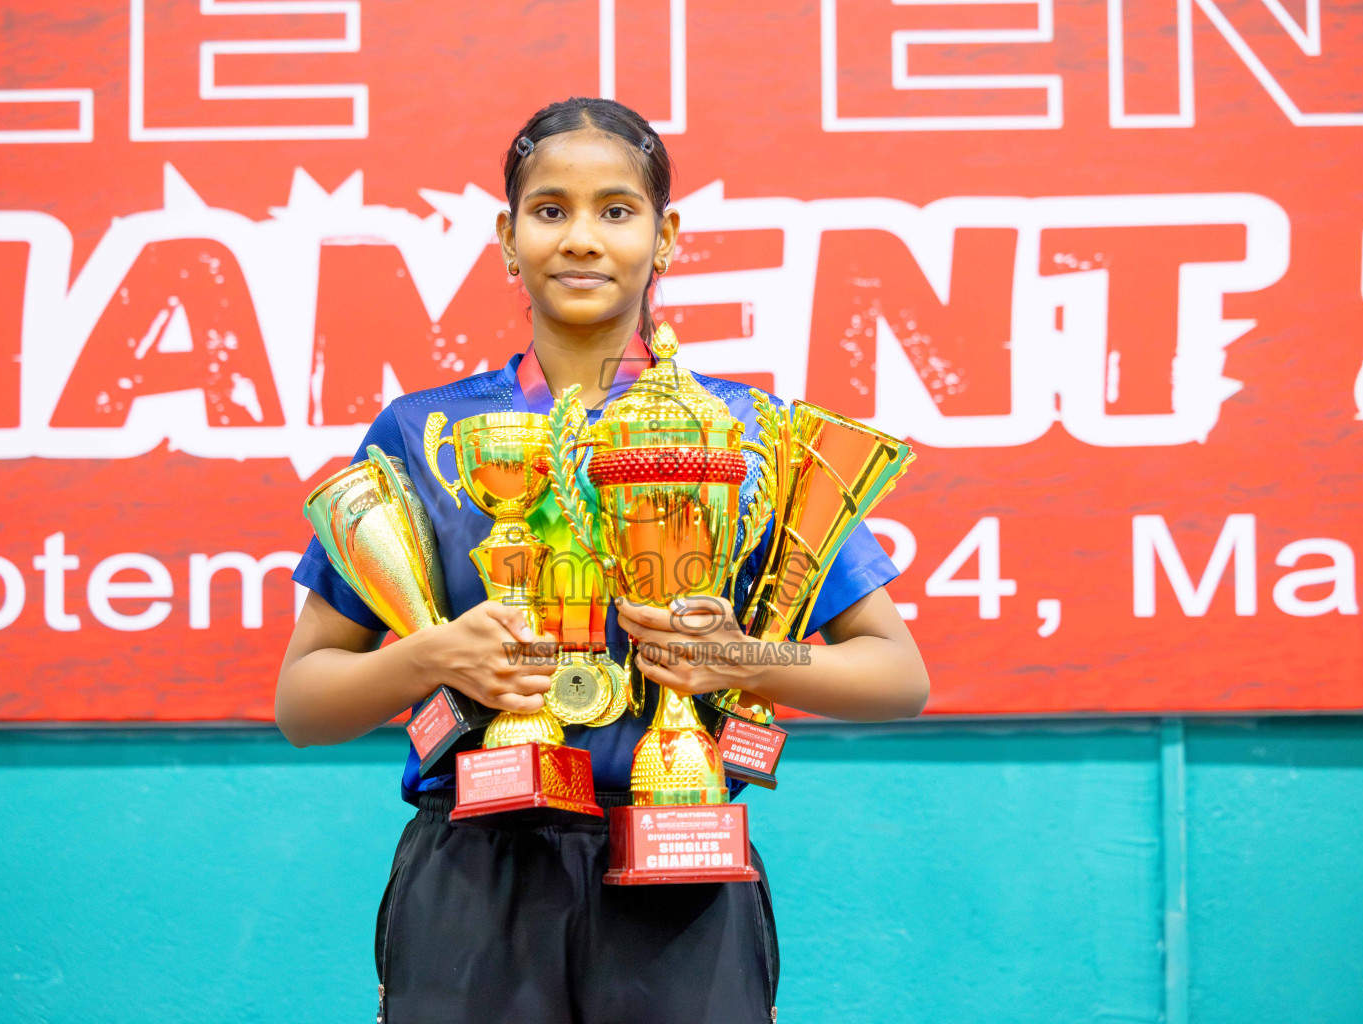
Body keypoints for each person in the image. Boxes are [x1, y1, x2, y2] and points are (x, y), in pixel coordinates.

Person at [275, 96, 930, 1024]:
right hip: (474, 874)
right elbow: (303, 704)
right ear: (506, 239)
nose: (581, 238)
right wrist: (432, 657)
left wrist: (744, 658)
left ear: (665, 238)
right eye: (550, 211)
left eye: (616, 211)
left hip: (683, 865)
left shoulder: (746, 432)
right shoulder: (427, 433)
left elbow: (897, 677)